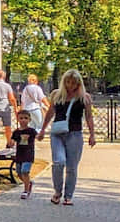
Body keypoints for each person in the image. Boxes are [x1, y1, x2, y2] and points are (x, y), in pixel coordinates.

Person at [38, 69, 96, 206]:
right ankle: (57, 191)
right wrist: (42, 130)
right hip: (57, 134)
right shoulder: (57, 95)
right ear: (64, 81)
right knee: (58, 162)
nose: (71, 85)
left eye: (74, 83)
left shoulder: (84, 97)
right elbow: (50, 112)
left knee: (72, 167)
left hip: (75, 134)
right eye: (68, 82)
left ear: (78, 83)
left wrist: (92, 134)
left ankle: (68, 195)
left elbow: (88, 116)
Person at [9, 109, 39, 198]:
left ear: (29, 119)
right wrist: (11, 143)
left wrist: (41, 135)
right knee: (19, 173)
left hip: (28, 154)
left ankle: (26, 191)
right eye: (21, 118)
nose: (23, 120)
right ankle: (28, 182)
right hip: (19, 155)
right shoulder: (16, 132)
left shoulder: (31, 131)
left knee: (25, 171)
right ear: (18, 119)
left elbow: (38, 137)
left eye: (26, 118)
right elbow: (12, 141)